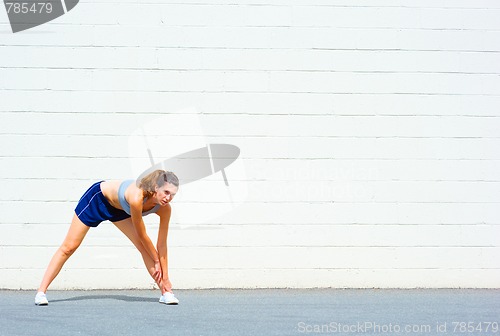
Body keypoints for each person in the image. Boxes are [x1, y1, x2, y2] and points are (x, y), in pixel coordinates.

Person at [34, 170, 180, 306]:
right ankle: (41, 292)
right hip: (98, 199)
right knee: (69, 247)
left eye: (172, 194)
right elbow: (142, 234)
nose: (168, 198)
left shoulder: (165, 209)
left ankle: (166, 292)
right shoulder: (137, 197)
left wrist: (165, 276)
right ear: (156, 187)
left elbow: (162, 245)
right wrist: (155, 259)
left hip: (119, 209)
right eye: (166, 192)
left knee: (144, 248)